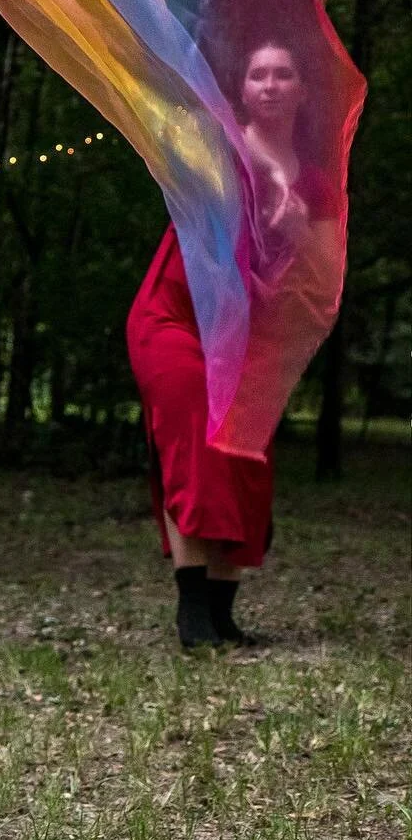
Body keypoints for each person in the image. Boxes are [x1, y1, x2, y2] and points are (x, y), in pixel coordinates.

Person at [127, 41, 336, 649]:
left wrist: (296, 234)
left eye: (284, 73)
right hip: (172, 319)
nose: (270, 84)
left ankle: (221, 612)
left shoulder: (317, 186)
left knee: (246, 461)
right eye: (257, 74)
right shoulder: (215, 145)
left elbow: (318, 283)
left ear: (301, 90)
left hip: (245, 338)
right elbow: (168, 110)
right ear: (243, 91)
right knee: (195, 439)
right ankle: (192, 610)